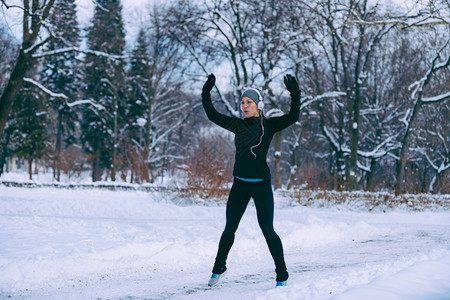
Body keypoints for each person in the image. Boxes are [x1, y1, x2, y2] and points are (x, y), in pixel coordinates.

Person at [201, 73, 301, 287]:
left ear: (259, 105)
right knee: (230, 228)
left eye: (249, 102)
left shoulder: (269, 125)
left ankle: (282, 274)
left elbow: (293, 117)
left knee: (268, 230)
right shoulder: (237, 125)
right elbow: (212, 114)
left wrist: (295, 93)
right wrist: (206, 91)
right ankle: (219, 267)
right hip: (240, 184)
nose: (245, 106)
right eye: (242, 103)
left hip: (261, 185)